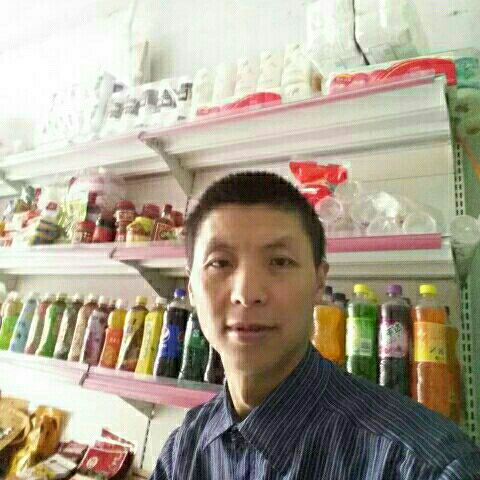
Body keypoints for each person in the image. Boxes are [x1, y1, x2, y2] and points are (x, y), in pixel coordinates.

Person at [151, 171, 480, 480]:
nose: (247, 294)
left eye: (280, 261)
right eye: (220, 263)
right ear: (191, 287)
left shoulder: (424, 466)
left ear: (319, 283)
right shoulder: (183, 450)